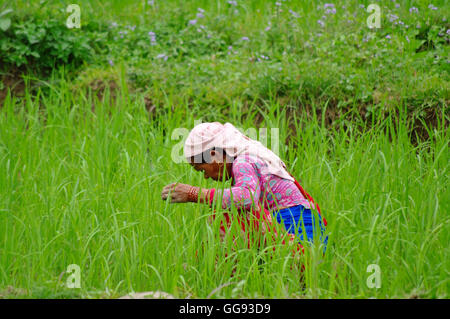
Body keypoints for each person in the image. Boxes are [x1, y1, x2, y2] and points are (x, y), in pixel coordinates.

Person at [161, 122, 328, 256]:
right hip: (311, 248)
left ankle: (220, 276)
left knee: (225, 212)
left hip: (301, 248)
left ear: (214, 154)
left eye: (201, 169)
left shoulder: (243, 161)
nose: (205, 176)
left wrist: (194, 194)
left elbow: (246, 197)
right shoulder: (252, 157)